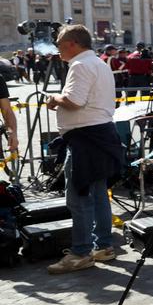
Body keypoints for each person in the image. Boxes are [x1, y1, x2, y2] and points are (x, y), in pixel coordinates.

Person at [44, 25, 120, 275]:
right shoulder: (98, 63)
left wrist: (54, 99)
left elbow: (74, 102)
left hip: (85, 139)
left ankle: (80, 252)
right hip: (99, 134)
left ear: (72, 43)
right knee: (98, 194)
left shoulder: (80, 65)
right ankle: (104, 246)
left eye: (59, 43)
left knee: (78, 197)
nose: (57, 48)